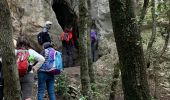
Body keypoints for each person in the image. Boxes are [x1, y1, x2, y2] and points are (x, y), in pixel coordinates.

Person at [15, 35, 45, 100]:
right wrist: (34, 68)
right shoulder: (31, 52)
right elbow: (42, 59)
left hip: (16, 75)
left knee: (16, 96)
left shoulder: (15, 51)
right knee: (27, 97)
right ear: (28, 43)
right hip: (28, 74)